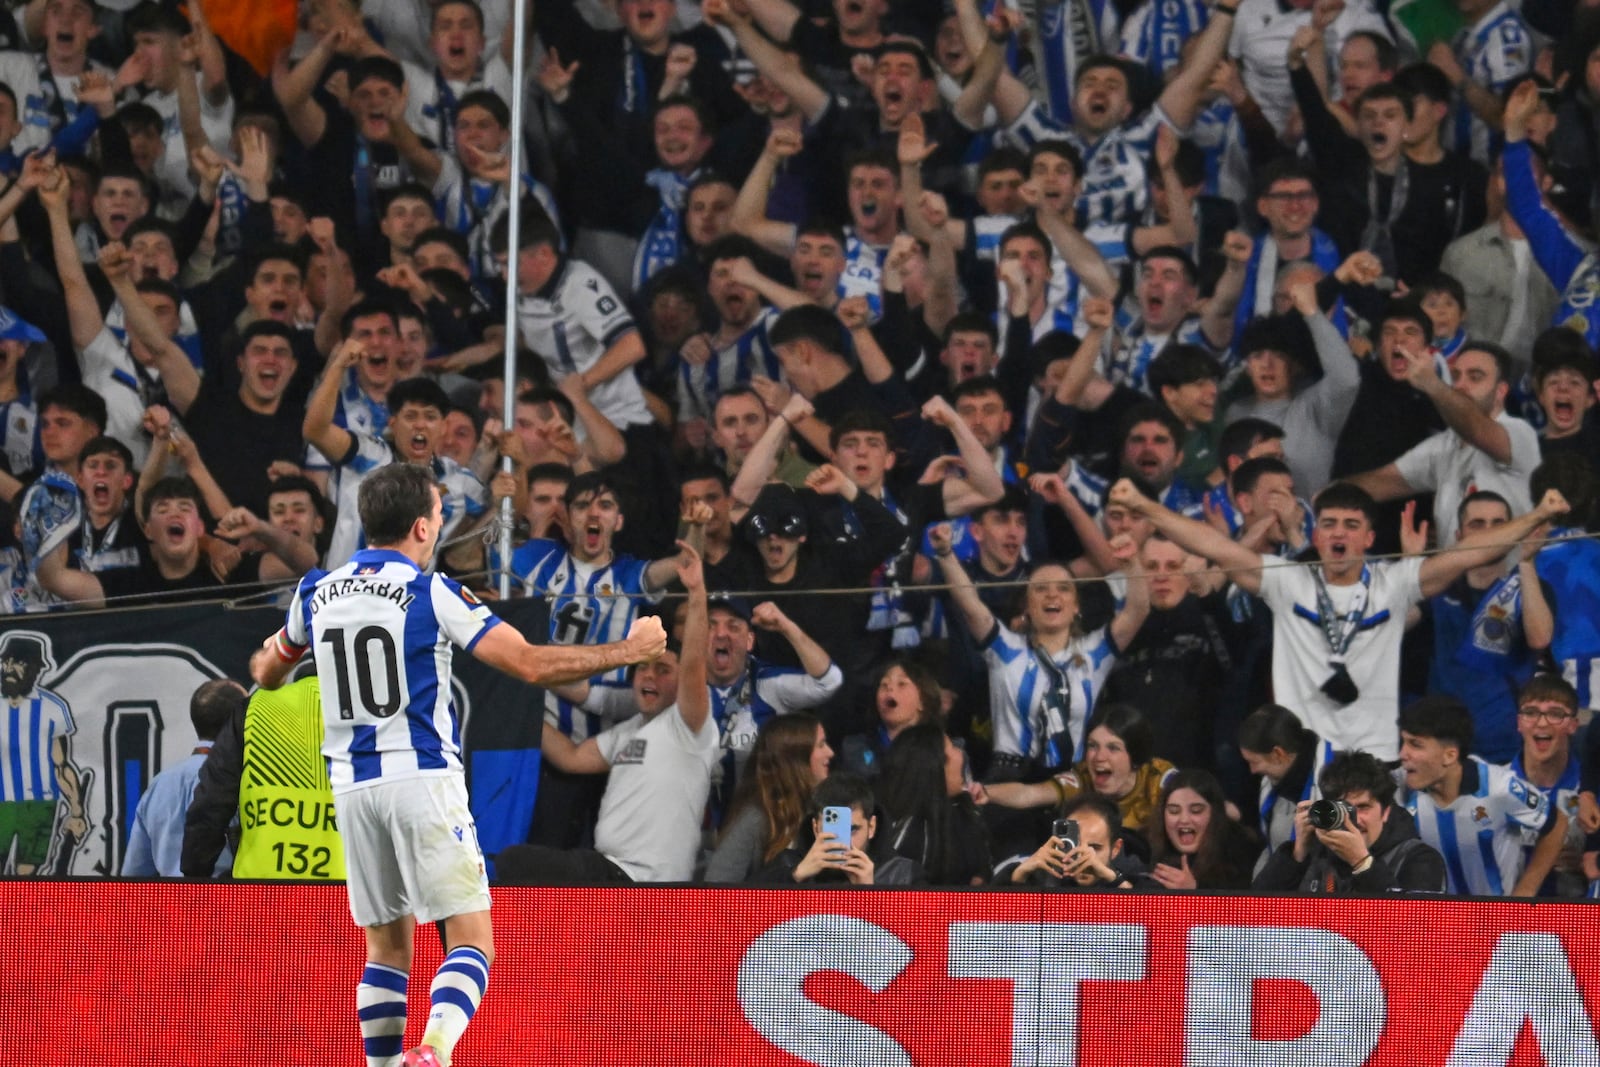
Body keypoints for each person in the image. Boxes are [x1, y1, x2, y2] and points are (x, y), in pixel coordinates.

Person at [247, 462, 668, 1067]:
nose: (441, 525)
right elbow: (526, 663)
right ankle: (436, 1048)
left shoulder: (318, 589)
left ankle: (385, 1065)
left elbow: (266, 672)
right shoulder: (430, 590)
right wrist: (630, 649)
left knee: (387, 951)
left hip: (353, 791)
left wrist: (283, 654)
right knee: (472, 939)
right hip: (421, 779)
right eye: (441, 515)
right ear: (422, 527)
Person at [1106, 478, 1572, 759]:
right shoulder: (1289, 581)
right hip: (1297, 759)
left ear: (1369, 536)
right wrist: (1146, 507)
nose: (1339, 534)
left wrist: (1538, 514)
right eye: (1329, 524)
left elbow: (1471, 552)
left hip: (1376, 760)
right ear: (1317, 533)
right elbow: (1213, 547)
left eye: (1351, 525)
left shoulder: (1394, 583)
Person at [502, 541, 717, 883]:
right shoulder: (628, 730)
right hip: (612, 873)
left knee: (515, 863)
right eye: (643, 668)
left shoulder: (688, 726)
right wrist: (512, 703)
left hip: (650, 881)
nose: (649, 675)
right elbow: (570, 756)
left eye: (662, 669)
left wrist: (696, 593)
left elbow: (693, 665)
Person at [932, 521, 1149, 780]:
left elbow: (1138, 611)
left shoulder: (1095, 652)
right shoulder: (1005, 648)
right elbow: (969, 603)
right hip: (1010, 782)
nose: (1052, 596)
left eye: (1063, 588)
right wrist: (945, 554)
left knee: (1069, 824)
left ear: (1076, 605)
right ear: (1027, 605)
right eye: (1041, 589)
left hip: (1070, 786)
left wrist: (1133, 563)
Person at [1396, 695, 1567, 897]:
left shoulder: (1499, 788)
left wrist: (1526, 890)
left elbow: (1557, 824)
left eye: (1415, 744)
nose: (1402, 754)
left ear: (1449, 755)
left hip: (1493, 920)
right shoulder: (1400, 787)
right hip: (1435, 920)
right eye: (1404, 742)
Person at [182, 676, 346, 881]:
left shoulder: (255, 709)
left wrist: (195, 875)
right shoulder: (371, 717)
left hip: (261, 894)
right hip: (347, 895)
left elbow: (210, 805)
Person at [1253, 749, 1447, 894]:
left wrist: (1362, 863)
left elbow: (1413, 929)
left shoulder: (1419, 859)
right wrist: (1296, 855)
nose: (1353, 820)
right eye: (1343, 808)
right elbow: (1255, 914)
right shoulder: (1314, 854)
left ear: (1386, 812)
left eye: (1363, 807)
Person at [122, 678, 242, 877]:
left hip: (172, 905)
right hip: (231, 904)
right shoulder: (242, 784)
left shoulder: (159, 786)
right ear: (238, 723)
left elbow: (134, 875)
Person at [704, 713, 833, 882]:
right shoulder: (756, 818)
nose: (830, 752)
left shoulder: (821, 811)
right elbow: (716, 892)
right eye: (821, 744)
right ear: (796, 758)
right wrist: (792, 876)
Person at [0, 632, 88, 874]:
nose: (9, 668)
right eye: (6, 661)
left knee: (26, 878)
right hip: (1, 802)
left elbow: (61, 765)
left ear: (36, 670)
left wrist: (77, 810)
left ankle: (18, 913)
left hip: (40, 804)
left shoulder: (52, 707)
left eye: (19, 662)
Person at [755, 772, 922, 886]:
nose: (844, 842)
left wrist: (870, 895)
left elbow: (916, 936)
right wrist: (795, 876)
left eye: (853, 830)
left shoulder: (903, 875)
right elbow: (744, 917)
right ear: (815, 828)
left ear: (871, 827)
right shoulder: (787, 865)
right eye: (830, 829)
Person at [875, 723, 992, 886]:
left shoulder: (965, 814)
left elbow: (981, 875)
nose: (960, 755)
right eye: (951, 749)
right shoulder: (903, 838)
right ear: (933, 769)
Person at [1509, 674, 1589, 896]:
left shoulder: (1590, 790)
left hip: (1576, 922)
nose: (1541, 722)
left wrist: (1587, 862)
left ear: (1573, 725)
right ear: (1519, 723)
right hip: (1505, 920)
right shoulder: (1492, 786)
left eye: (1555, 714)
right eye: (1531, 712)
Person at [1238, 703, 1336, 866]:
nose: (1252, 771)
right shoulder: (1272, 784)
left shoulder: (1338, 782)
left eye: (1254, 762)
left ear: (1278, 754)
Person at [997, 794, 1155, 888]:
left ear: (1115, 849)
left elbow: (1156, 921)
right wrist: (1019, 877)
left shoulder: (1136, 882)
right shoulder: (1039, 882)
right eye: (1075, 845)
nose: (1083, 857)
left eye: (1094, 847)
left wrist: (1113, 880)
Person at [1147, 767, 1256, 890]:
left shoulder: (1241, 851)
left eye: (1196, 811)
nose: (1184, 819)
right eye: (1174, 811)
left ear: (1215, 814)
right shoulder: (1145, 847)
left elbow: (1244, 907)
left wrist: (1194, 891)